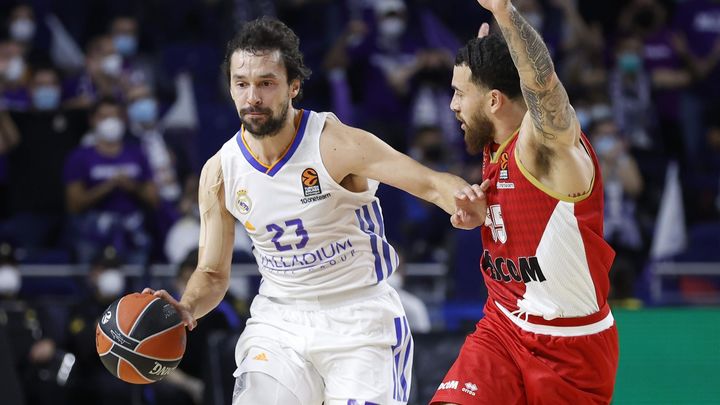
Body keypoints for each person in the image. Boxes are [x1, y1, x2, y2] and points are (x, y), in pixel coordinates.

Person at [144, 17, 485, 405]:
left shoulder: (335, 144)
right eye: (242, 83)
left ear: (293, 86)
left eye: (266, 83)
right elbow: (211, 273)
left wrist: (464, 202)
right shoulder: (220, 171)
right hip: (280, 323)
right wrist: (187, 306)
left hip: (359, 320)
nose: (252, 97)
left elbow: (430, 182)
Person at [430, 1, 618, 404]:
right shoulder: (493, 139)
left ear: (494, 100)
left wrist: (504, 12)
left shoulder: (546, 147)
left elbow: (543, 85)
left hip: (571, 347)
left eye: (460, 93)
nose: (453, 105)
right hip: (502, 326)